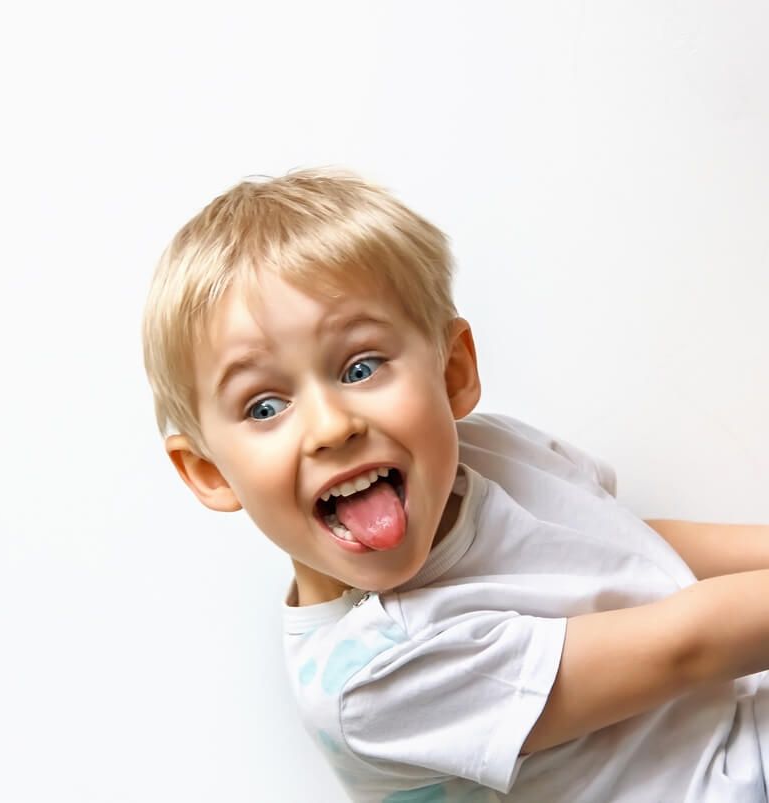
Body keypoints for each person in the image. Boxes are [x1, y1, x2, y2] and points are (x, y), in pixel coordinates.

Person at [141, 168, 769, 802]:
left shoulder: (485, 453)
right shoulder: (371, 683)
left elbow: (622, 547)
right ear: (212, 473)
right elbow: (685, 648)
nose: (331, 427)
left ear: (452, 372)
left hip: (732, 727)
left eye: (360, 367)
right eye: (265, 407)